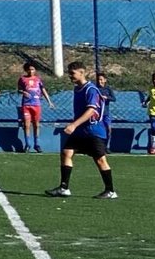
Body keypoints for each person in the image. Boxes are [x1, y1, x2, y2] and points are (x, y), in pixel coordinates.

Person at [48, 62, 118, 200]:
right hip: (81, 131)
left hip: (93, 131)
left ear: (82, 73)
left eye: (72, 73)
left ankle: (110, 191)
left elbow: (91, 110)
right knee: (66, 152)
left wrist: (74, 125)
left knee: (100, 160)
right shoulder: (77, 89)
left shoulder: (91, 90)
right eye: (69, 73)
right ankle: (64, 188)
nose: (70, 76)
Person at [16, 63, 47, 154]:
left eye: (32, 69)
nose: (31, 71)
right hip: (26, 104)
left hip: (36, 104)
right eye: (29, 69)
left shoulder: (38, 79)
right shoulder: (22, 79)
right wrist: (23, 92)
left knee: (36, 125)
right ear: (26, 70)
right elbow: (19, 89)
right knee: (26, 125)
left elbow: (43, 90)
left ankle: (37, 144)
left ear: (35, 70)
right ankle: (27, 144)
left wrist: (49, 101)